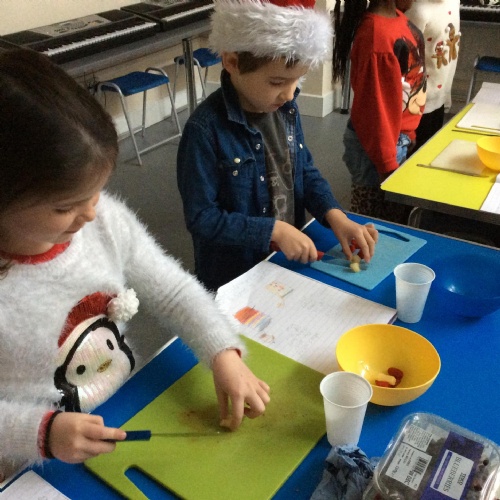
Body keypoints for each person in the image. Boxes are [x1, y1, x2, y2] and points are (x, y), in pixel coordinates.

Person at [0, 48, 270, 476]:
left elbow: (173, 291)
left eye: (96, 192)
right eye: (66, 206)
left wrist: (222, 352)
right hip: (28, 460)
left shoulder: (104, 220)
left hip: (122, 409)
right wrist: (40, 432)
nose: (91, 213)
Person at [177, 0, 378, 292]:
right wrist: (272, 230)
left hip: (283, 263)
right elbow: (202, 218)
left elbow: (304, 171)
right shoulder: (204, 131)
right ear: (232, 62)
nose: (289, 94)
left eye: (297, 80)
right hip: (235, 276)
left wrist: (335, 215)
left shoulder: (286, 110)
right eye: (276, 82)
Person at [332, 0, 426, 222]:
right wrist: (387, 164)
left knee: (389, 219)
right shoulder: (377, 37)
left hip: (395, 139)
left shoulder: (398, 20)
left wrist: (408, 132)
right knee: (372, 223)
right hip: (378, 149)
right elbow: (375, 112)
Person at [405, 0, 461, 150]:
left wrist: (445, 96)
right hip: (418, 104)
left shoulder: (453, 2)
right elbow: (407, 62)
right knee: (416, 154)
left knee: (431, 150)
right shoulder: (418, 11)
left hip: (440, 96)